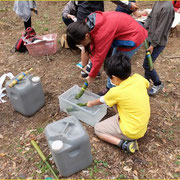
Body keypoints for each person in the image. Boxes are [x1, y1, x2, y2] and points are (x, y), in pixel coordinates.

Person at [86, 53, 150, 153]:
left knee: (98, 129)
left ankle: (124, 144)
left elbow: (100, 100)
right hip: (142, 126)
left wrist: (90, 103)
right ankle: (123, 127)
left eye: (109, 77)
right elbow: (147, 85)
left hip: (131, 131)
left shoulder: (115, 92)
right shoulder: (138, 78)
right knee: (116, 102)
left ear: (115, 78)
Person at [66, 11, 147, 88]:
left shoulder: (101, 34)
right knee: (112, 62)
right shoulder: (89, 23)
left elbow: (99, 56)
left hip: (133, 36)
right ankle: (109, 88)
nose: (82, 45)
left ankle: (112, 92)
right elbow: (94, 47)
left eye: (81, 43)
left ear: (86, 36)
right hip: (124, 31)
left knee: (116, 66)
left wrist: (92, 76)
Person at [143, 1, 175, 96]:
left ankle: (158, 83)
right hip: (150, 38)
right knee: (147, 62)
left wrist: (153, 44)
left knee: (148, 65)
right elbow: (150, 16)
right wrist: (144, 28)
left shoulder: (167, 8)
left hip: (158, 43)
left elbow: (161, 29)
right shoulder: (158, 2)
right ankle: (146, 81)